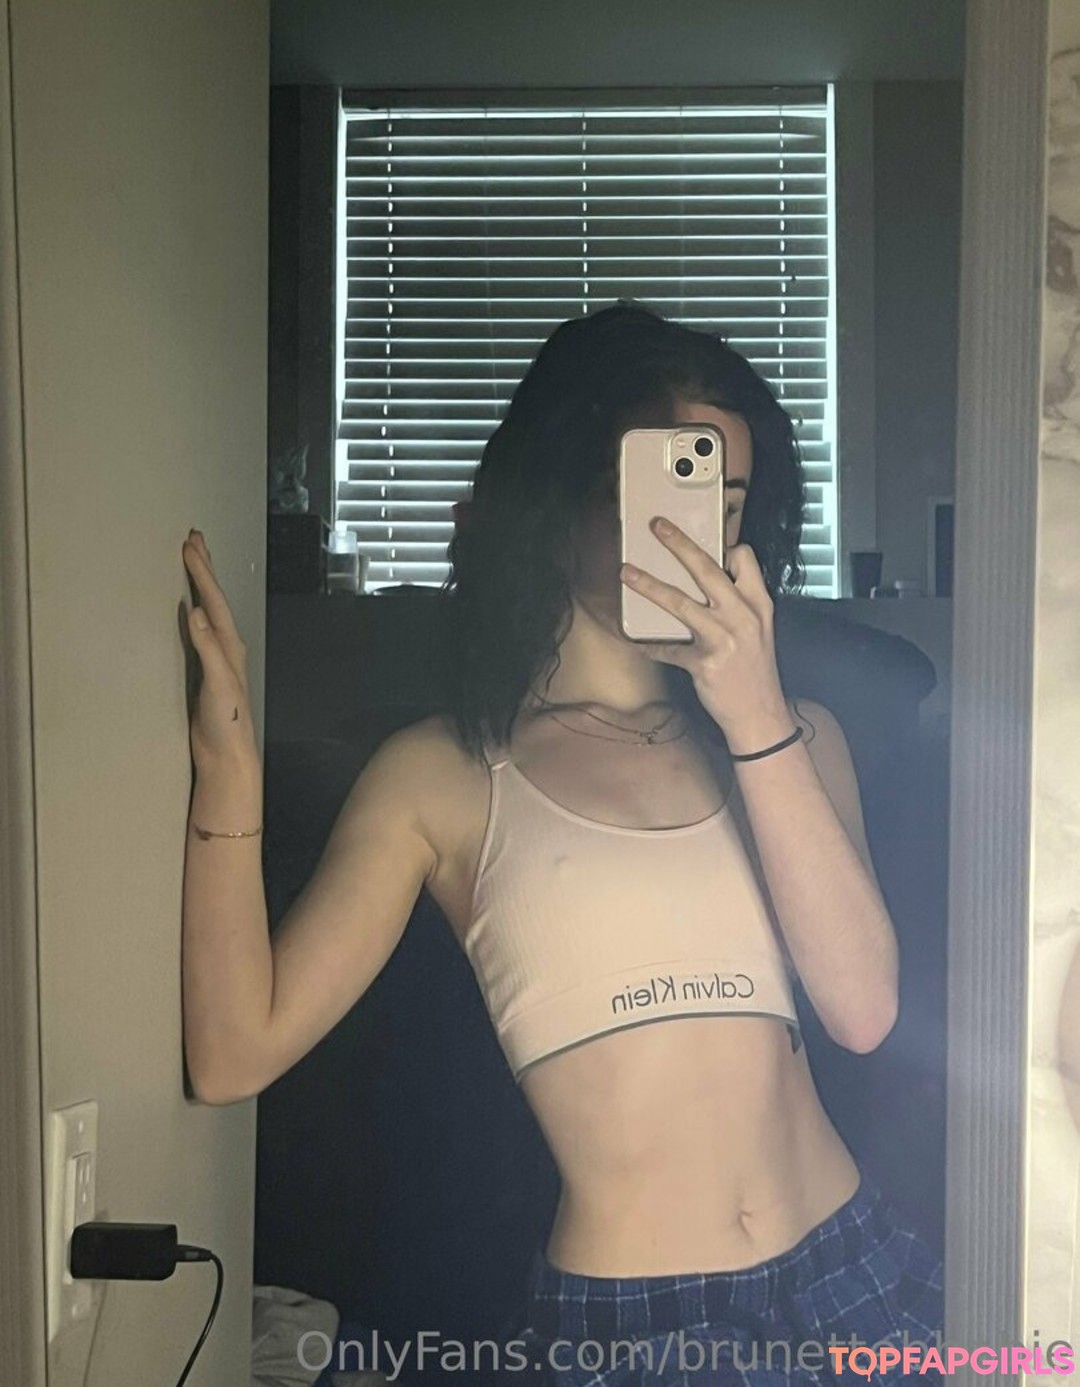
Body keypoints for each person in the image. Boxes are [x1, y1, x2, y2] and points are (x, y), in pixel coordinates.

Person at [180, 302, 944, 1386]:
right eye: (669, 491)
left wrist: (756, 714)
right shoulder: (444, 774)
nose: (699, 538)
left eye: (726, 504)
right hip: (637, 1328)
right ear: (563, 493)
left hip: (853, 1269)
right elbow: (233, 1052)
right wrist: (229, 775)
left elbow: (863, 1011)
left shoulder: (797, 736)